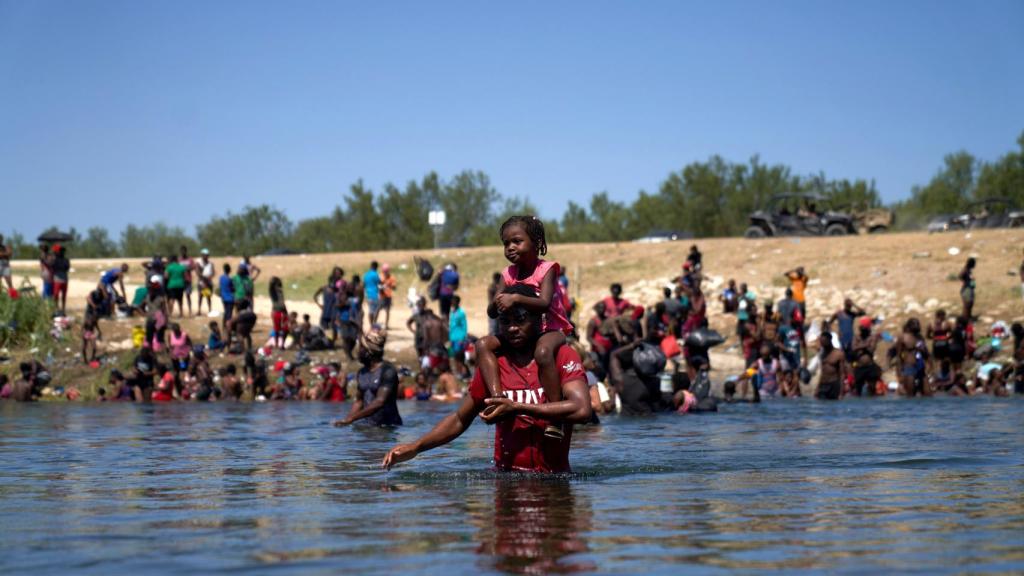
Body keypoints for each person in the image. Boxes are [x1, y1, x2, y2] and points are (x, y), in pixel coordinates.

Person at [381, 290, 591, 473]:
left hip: (554, 480)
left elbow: (581, 410)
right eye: (505, 322)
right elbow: (460, 419)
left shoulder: (562, 356)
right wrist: (417, 447)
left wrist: (516, 407)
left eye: (520, 320)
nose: (512, 328)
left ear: (538, 320)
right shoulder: (493, 365)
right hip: (507, 480)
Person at [479, 216, 571, 440]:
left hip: (551, 329)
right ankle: (498, 399)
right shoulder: (507, 274)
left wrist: (516, 298)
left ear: (537, 242)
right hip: (521, 332)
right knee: (483, 344)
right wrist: (498, 301)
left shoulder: (546, 269)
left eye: (517, 241)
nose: (510, 247)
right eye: (506, 243)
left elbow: (544, 303)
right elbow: (492, 311)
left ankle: (555, 417)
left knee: (542, 353)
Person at [335, 329, 403, 426]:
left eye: (361, 348)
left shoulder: (388, 371)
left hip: (389, 427)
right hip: (370, 425)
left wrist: (352, 418)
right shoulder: (361, 373)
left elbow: (380, 401)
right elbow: (359, 401)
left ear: (369, 352)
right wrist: (346, 421)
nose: (358, 352)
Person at [816, 332, 846, 400]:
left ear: (829, 340)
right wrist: (817, 389)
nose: (822, 344)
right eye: (821, 342)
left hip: (833, 385)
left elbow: (842, 374)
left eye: (824, 342)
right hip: (823, 384)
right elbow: (822, 372)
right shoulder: (822, 354)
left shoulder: (838, 354)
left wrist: (841, 392)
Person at [449, 294, 469, 378]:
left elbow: (464, 326)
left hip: (459, 338)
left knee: (459, 356)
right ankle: (458, 373)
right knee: (454, 356)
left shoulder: (461, 313)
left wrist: (462, 338)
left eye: (454, 302)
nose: (452, 303)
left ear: (457, 302)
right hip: (452, 337)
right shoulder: (452, 312)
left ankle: (463, 372)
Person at [269, 276, 289, 349]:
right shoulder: (273, 292)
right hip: (277, 312)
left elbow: (283, 302)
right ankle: (277, 344)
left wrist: (286, 312)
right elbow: (270, 288)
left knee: (285, 329)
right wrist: (273, 281)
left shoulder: (280, 291)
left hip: (282, 312)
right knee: (277, 329)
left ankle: (282, 344)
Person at [51, 245, 70, 315]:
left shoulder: (65, 260)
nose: (61, 252)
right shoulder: (55, 260)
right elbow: (57, 267)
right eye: (60, 251)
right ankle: (56, 308)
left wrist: (59, 267)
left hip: (63, 279)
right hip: (58, 279)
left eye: (62, 251)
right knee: (56, 295)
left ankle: (63, 309)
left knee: (63, 296)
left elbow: (66, 268)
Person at [363, 261, 382, 325]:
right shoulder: (375, 274)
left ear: (370, 266)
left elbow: (363, 284)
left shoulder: (366, 274)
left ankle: (371, 324)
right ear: (376, 267)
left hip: (368, 295)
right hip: (375, 294)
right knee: (377, 310)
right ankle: (374, 323)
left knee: (370, 310)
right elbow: (379, 283)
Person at [197, 248, 215, 315]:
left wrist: (209, 277)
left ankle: (210, 310)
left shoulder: (210, 263)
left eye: (207, 255)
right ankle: (199, 310)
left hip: (208, 282)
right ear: (202, 255)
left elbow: (213, 272)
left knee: (208, 296)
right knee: (200, 296)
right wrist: (204, 278)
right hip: (202, 282)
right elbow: (198, 272)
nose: (206, 256)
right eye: (204, 255)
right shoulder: (199, 263)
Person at [179, 246, 196, 316]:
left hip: (188, 279)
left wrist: (188, 268)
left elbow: (194, 267)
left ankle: (190, 311)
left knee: (188, 295)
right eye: (182, 251)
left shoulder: (190, 259)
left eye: (184, 251)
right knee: (180, 297)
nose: (183, 252)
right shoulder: (179, 259)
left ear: (186, 251)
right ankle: (181, 312)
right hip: (180, 280)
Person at [380, 263, 397, 328]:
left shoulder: (391, 278)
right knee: (377, 310)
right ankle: (374, 323)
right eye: (384, 271)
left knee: (387, 311)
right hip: (381, 296)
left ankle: (386, 325)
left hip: (388, 296)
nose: (385, 272)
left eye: (386, 271)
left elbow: (394, 287)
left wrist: (390, 285)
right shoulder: (380, 277)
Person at [219, 263, 235, 331]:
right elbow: (232, 289)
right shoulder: (230, 279)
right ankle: (228, 328)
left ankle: (224, 327)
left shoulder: (221, 278)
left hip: (223, 298)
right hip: (230, 298)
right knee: (229, 314)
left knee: (226, 312)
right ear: (229, 270)